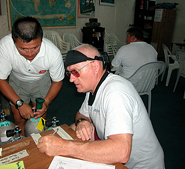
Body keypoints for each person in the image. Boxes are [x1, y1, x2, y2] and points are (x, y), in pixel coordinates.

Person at [37, 44, 165, 169]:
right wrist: (82, 121)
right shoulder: (93, 88)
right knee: (75, 127)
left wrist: (65, 147)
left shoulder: (116, 92)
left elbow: (121, 152)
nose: (71, 79)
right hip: (120, 162)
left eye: (75, 72)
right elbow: (81, 114)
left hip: (138, 165)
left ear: (95, 66)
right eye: (69, 73)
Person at [0, 16, 64, 136]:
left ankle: (38, 145)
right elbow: (0, 79)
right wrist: (19, 103)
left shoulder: (53, 53)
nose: (30, 53)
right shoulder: (5, 46)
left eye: (35, 47)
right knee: (18, 118)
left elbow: (57, 81)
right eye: (23, 49)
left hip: (41, 80)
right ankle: (21, 143)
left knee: (39, 119)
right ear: (14, 41)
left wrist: (46, 102)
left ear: (41, 40)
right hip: (17, 79)